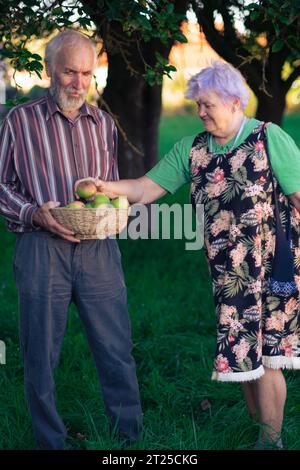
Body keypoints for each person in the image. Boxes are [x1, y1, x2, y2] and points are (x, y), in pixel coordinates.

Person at [91, 61, 300, 449]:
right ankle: (263, 429)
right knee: (240, 349)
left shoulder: (269, 139)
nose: (200, 112)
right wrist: (106, 186)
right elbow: (144, 187)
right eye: (198, 105)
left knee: (267, 354)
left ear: (235, 102)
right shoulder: (193, 149)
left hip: (274, 269)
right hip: (226, 271)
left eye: (207, 104)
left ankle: (270, 440)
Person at [0, 30, 142, 450]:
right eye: (69, 72)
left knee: (116, 349)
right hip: (41, 249)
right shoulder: (19, 121)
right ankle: (50, 442)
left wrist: (118, 210)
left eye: (86, 73)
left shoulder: (104, 124)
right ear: (49, 71)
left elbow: (109, 187)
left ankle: (129, 443)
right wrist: (32, 212)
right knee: (40, 357)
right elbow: (2, 183)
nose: (78, 83)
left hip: (99, 250)